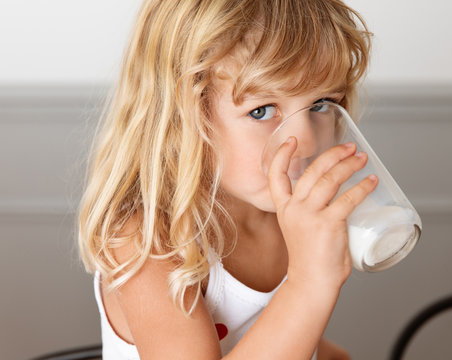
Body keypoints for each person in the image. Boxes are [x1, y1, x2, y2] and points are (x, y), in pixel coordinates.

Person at [78, 0, 376, 358]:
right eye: (261, 110)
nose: (306, 142)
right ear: (183, 120)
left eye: (321, 104)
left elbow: (282, 335)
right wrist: (309, 284)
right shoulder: (150, 244)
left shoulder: (290, 220)